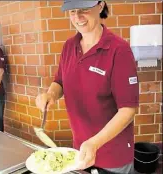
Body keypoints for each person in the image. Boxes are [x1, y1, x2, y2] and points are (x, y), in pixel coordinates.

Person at [35, 1, 139, 173]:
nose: (77, 17)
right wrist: (51, 94)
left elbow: (128, 110)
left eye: (84, 10)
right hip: (80, 151)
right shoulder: (69, 46)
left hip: (112, 155)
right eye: (72, 11)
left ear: (100, 6)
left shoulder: (119, 50)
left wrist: (94, 143)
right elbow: (59, 81)